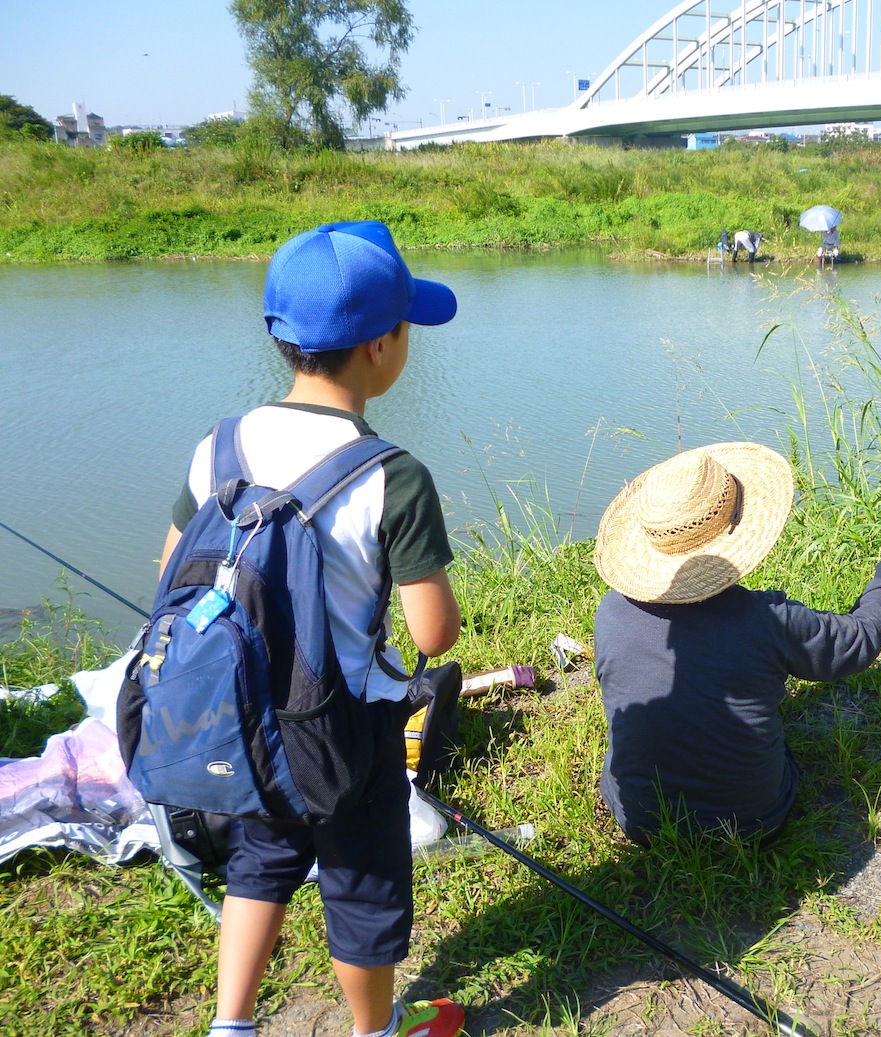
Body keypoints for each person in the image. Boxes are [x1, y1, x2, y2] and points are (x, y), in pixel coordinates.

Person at [162, 221, 467, 1037]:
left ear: (282, 337)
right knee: (361, 883)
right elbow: (433, 634)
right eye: (407, 329)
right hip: (346, 729)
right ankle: (377, 1028)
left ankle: (231, 1024)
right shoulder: (391, 474)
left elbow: (170, 576)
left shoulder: (217, 446)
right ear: (379, 346)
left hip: (240, 713)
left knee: (260, 861)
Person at [591, 443, 881, 846]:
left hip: (641, 820)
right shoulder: (769, 619)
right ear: (738, 525)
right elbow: (858, 640)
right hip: (751, 823)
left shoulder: (610, 612)